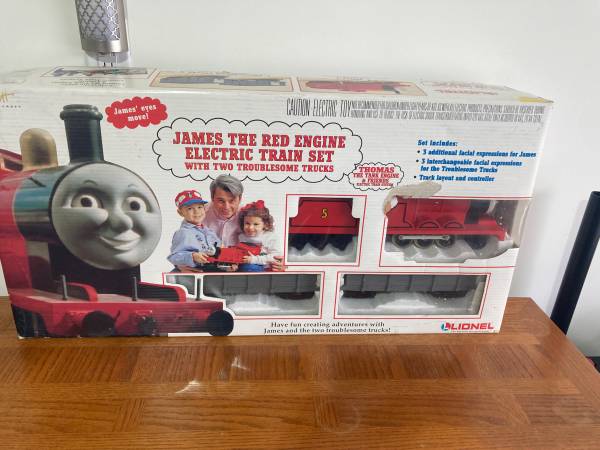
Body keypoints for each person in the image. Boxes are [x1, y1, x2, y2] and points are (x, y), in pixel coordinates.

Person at [204, 174, 286, 271]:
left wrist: (280, 264)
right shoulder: (199, 214)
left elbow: (272, 246)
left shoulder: (249, 216)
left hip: (244, 267)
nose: (226, 207)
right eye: (221, 201)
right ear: (212, 198)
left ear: (240, 198)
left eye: (232, 201)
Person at [167, 189, 220, 269]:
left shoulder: (209, 231)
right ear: (180, 212)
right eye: (190, 208)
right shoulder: (182, 233)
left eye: (199, 207)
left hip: (213, 270)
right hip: (196, 271)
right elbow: (174, 257)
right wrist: (192, 256)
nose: (196, 211)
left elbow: (220, 250)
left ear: (204, 208)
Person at [237, 200, 281, 272]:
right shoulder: (241, 237)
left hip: (264, 269)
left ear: (265, 224)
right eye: (247, 223)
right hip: (244, 267)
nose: (250, 227)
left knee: (250, 267)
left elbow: (275, 257)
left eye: (256, 224)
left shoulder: (270, 237)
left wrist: (254, 259)